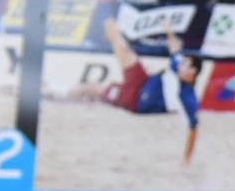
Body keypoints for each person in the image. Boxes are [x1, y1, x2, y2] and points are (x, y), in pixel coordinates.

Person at [86, 16, 201, 163]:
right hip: (143, 80)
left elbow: (193, 129)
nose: (181, 64)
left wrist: (187, 159)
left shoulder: (188, 99)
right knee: (120, 44)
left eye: (185, 65)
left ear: (193, 73)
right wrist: (167, 28)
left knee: (95, 88)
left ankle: (61, 93)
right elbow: (175, 48)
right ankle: (106, 18)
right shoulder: (178, 66)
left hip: (135, 101)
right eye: (183, 62)